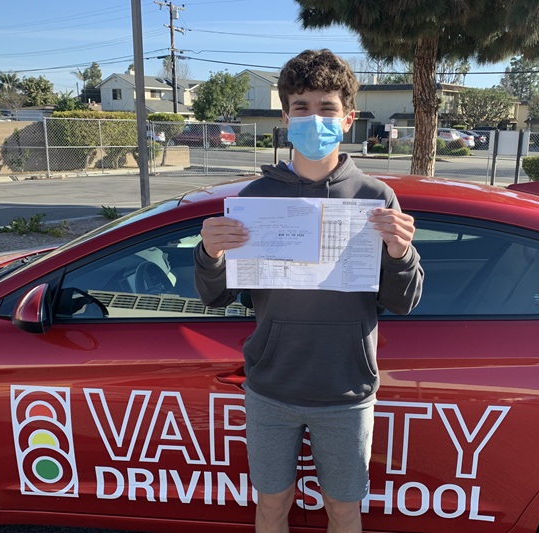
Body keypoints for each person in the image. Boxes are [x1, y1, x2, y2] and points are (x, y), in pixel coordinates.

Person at [194, 49, 423, 533]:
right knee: (272, 505)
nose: (313, 118)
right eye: (301, 107)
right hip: (271, 387)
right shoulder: (253, 201)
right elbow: (215, 298)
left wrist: (401, 254)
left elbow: (403, 300)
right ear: (284, 117)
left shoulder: (375, 198)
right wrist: (210, 254)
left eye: (326, 108)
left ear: (348, 119)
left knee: (343, 509)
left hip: (346, 390)